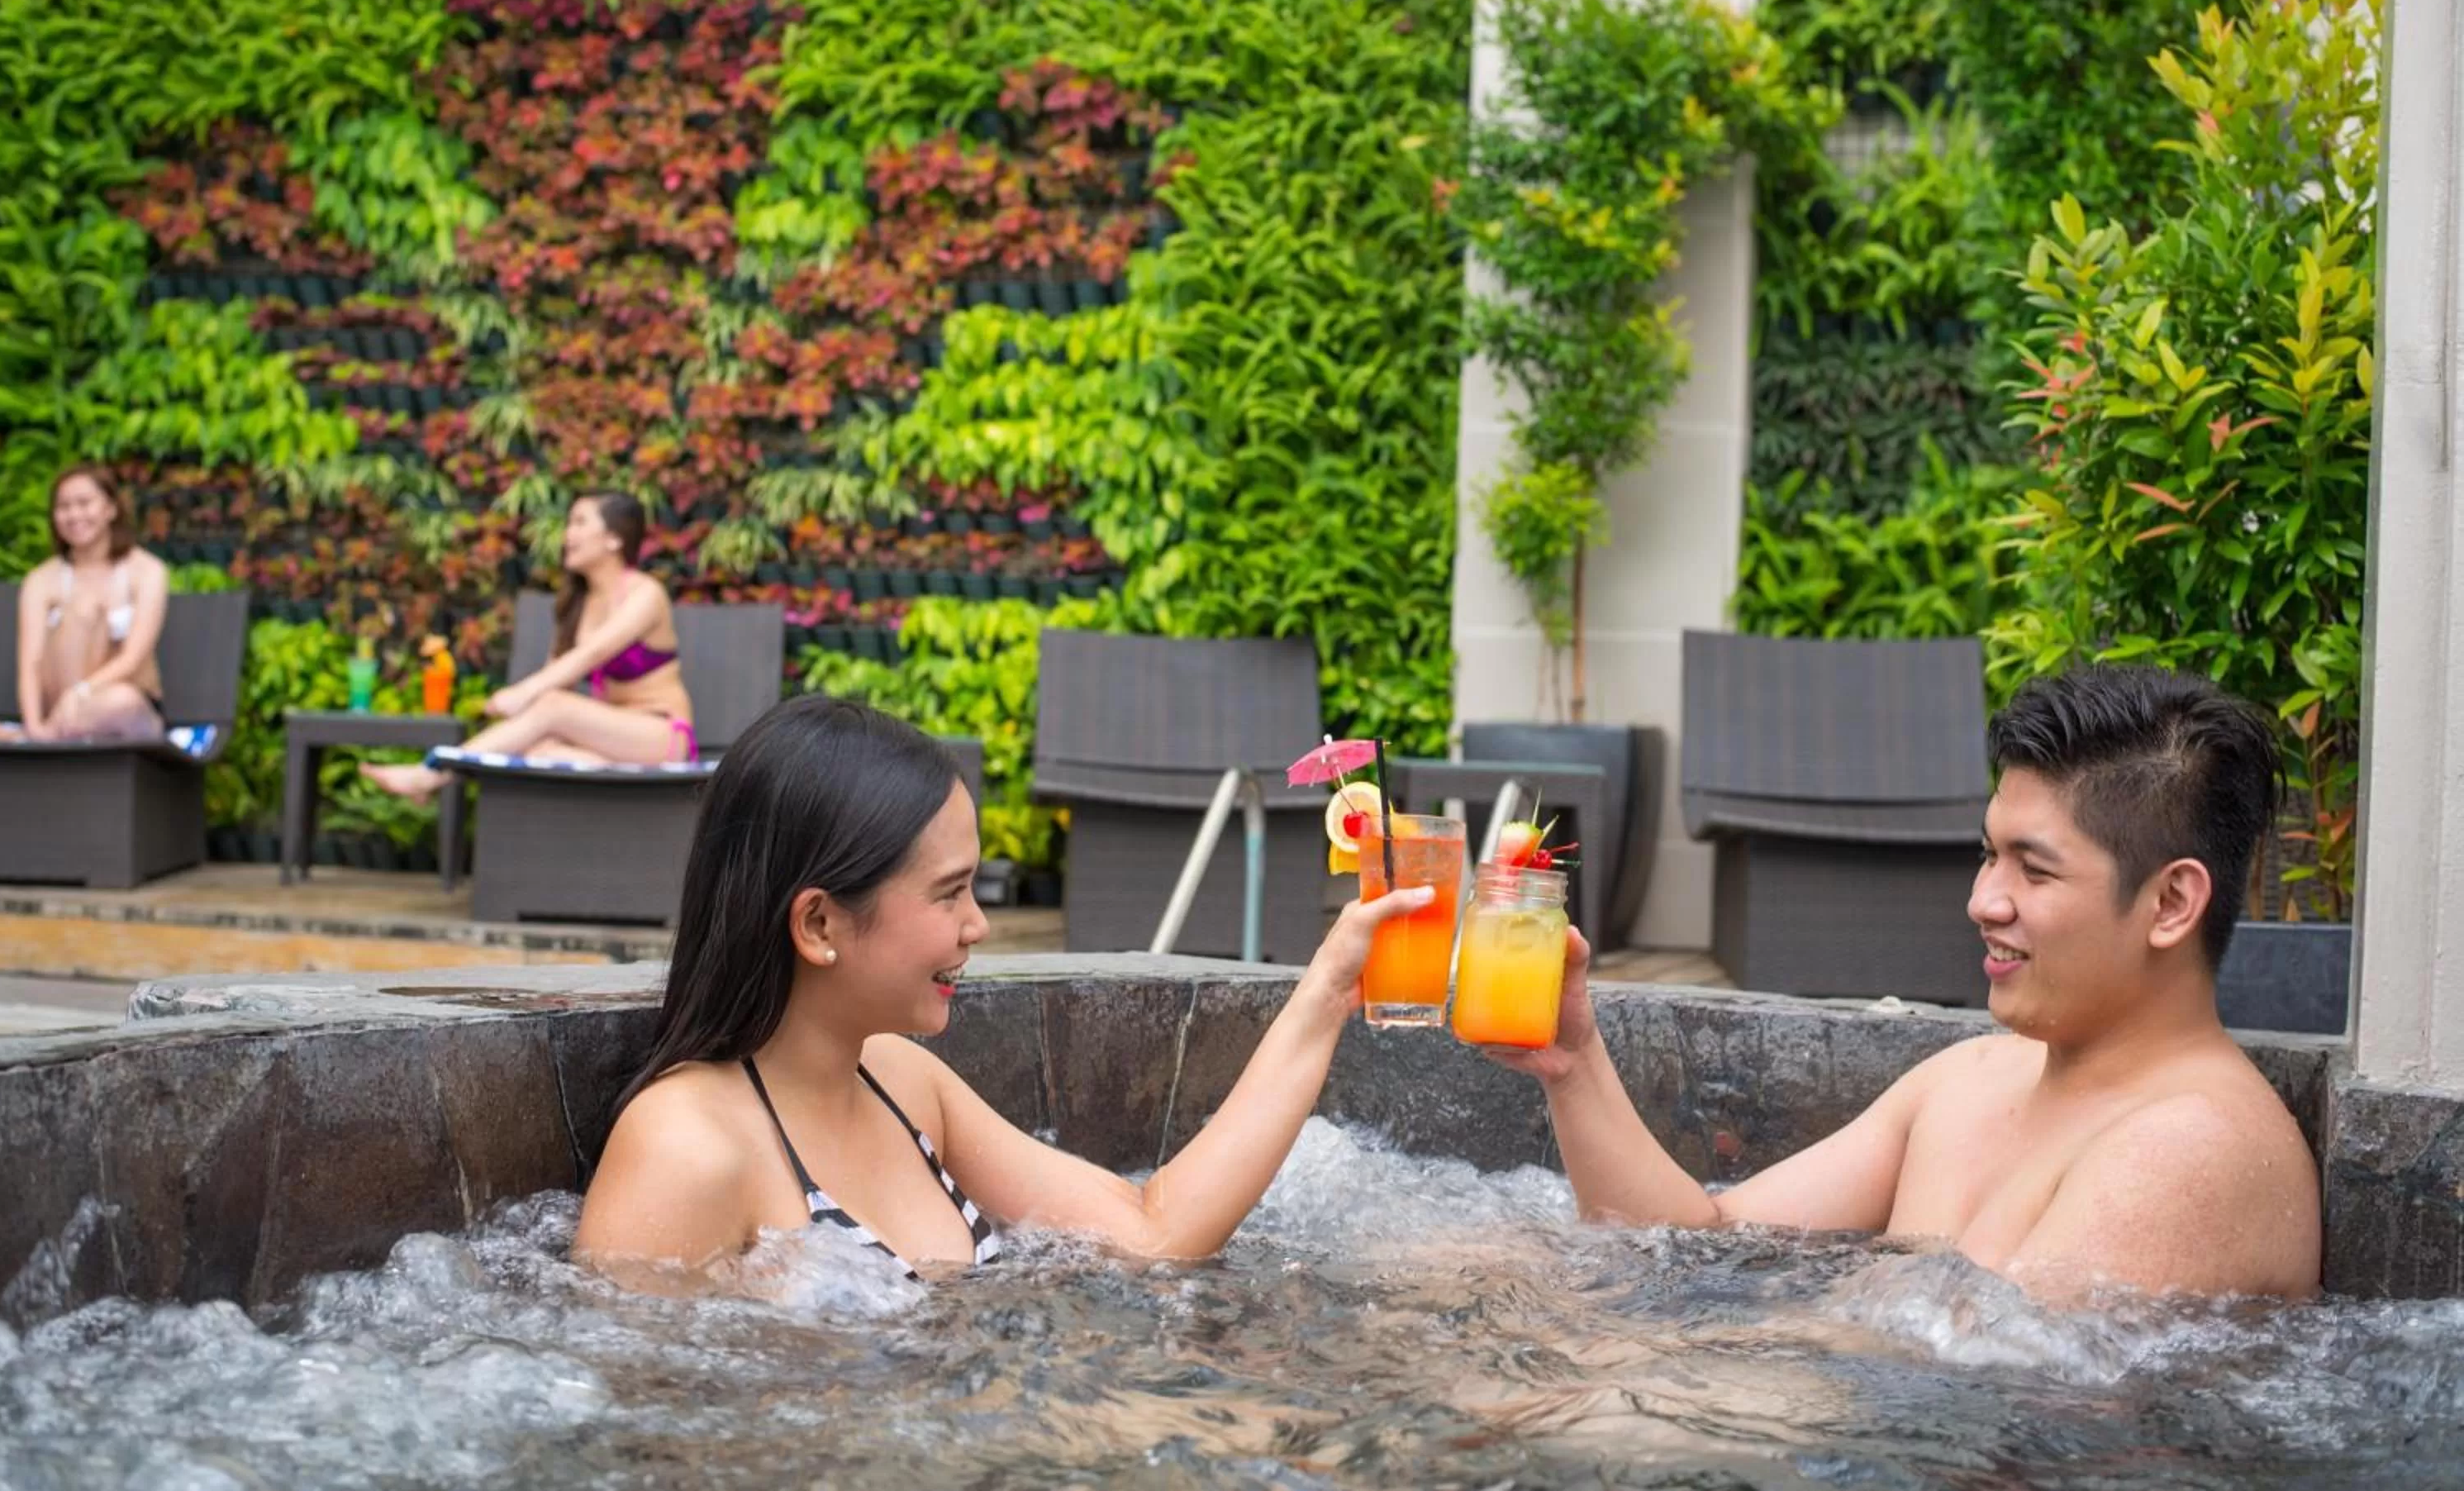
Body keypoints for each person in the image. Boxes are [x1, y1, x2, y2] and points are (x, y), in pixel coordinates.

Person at [1501, 665, 2320, 1303]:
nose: (1981, 901)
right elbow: (1697, 1244)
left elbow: (1984, 1410)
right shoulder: (1968, 1080)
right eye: (1989, 853)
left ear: (2170, 901)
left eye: (2033, 870)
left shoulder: (2193, 1150)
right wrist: (1573, 1061)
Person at [573, 695, 1430, 1285]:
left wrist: (1325, 991)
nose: (978, 925)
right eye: (949, 893)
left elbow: (1149, 1235)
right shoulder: (686, 1151)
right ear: (820, 925)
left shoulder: (900, 1083)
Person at [362, 492, 693, 800]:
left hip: (661, 733)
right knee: (537, 751)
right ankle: (618, 776)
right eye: (569, 523)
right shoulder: (577, 605)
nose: (568, 535)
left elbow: (592, 655)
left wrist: (523, 694)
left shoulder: (645, 594)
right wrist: (528, 705)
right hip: (609, 737)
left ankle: (431, 775)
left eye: (580, 523)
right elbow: (557, 674)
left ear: (614, 538)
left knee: (553, 706)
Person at [0, 466, 169, 745]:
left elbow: (133, 658)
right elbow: (31, 664)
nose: (74, 516)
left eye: (84, 504)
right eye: (63, 507)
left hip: (119, 703)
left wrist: (82, 692)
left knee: (120, 701)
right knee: (77, 611)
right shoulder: (41, 580)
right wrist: (34, 724)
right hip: (57, 705)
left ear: (110, 509)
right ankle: (37, 736)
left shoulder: (147, 571)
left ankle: (26, 738)